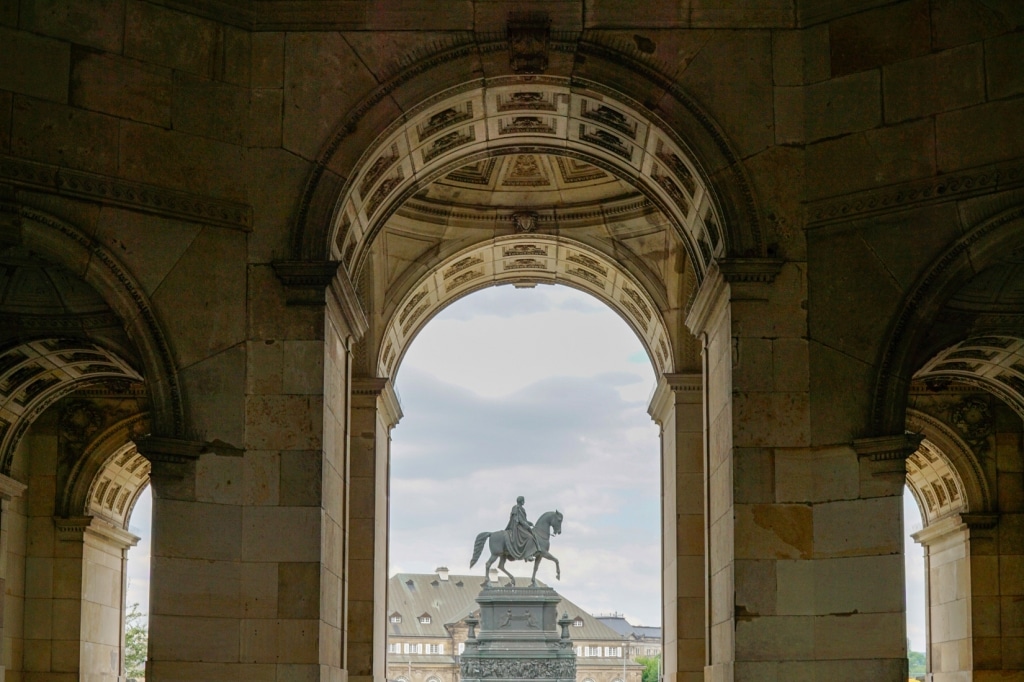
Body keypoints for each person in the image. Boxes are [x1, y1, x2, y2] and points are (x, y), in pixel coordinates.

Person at [505, 496, 535, 560]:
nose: (524, 502)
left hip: (522, 525)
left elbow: (524, 520)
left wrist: (529, 523)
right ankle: (527, 555)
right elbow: (519, 520)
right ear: (521, 501)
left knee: (532, 534)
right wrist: (526, 524)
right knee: (530, 537)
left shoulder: (522, 509)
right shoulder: (516, 508)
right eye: (523, 500)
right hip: (517, 527)